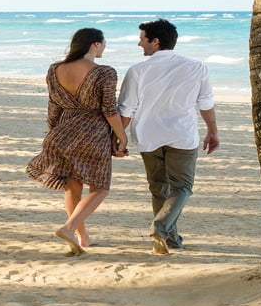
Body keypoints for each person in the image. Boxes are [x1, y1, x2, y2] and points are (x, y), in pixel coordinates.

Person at [117, 19, 219, 255]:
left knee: (158, 187)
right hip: (181, 134)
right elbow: (205, 103)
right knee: (182, 187)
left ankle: (166, 236)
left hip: (147, 134)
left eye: (142, 38)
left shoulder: (137, 71)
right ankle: (163, 231)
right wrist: (212, 131)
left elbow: (127, 109)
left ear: (156, 41)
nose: (138, 43)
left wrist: (119, 138)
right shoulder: (197, 67)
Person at [26, 28, 129, 256]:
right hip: (93, 134)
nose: (104, 47)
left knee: (74, 185)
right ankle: (69, 228)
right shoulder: (105, 73)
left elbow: (54, 106)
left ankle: (82, 237)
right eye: (103, 43)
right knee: (100, 187)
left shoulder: (55, 70)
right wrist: (122, 136)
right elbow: (110, 110)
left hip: (63, 131)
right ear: (95, 44)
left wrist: (52, 133)